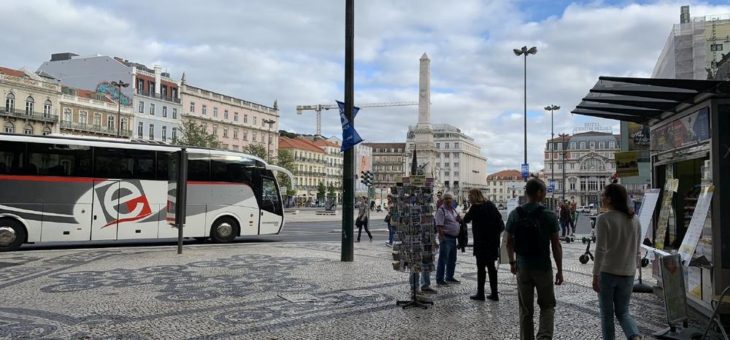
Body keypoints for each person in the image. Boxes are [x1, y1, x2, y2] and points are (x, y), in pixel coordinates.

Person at [506, 178, 563, 340]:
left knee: (525, 310)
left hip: (523, 267)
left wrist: (512, 262)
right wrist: (559, 270)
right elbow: (556, 245)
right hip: (543, 267)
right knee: (547, 306)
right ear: (538, 193)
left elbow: (508, 242)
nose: (545, 194)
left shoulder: (515, 214)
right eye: (544, 191)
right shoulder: (549, 215)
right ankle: (544, 337)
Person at [592, 184, 642, 340]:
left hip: (607, 273)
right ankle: (634, 336)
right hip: (628, 273)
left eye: (603, 195)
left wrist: (595, 275)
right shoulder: (635, 219)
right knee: (623, 312)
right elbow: (636, 248)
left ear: (610, 198)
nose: (601, 198)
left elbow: (600, 250)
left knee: (607, 315)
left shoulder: (603, 219)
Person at [463, 189, 504, 301]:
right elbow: (500, 222)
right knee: (491, 267)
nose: (469, 198)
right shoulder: (490, 205)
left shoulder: (475, 208)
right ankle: (494, 293)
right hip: (492, 242)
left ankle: (480, 294)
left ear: (474, 197)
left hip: (481, 242)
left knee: (481, 268)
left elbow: (465, 220)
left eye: (470, 196)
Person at [435, 193, 462, 285]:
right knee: (443, 259)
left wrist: (458, 219)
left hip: (453, 238)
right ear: (443, 200)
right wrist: (442, 238)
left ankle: (449, 276)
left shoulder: (453, 210)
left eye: (450, 198)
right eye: (446, 198)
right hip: (446, 238)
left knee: (452, 259)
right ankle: (440, 279)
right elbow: (439, 226)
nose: (448, 200)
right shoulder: (441, 210)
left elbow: (455, 221)